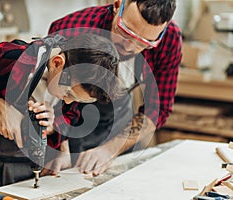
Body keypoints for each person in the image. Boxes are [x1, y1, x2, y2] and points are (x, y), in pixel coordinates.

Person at [0, 33, 120, 198]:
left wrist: (53, 126)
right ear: (57, 63)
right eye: (69, 94)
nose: (67, 101)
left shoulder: (72, 80)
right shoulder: (16, 57)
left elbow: (69, 116)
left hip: (28, 167)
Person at [48, 0, 182, 175]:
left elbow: (157, 109)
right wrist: (61, 148)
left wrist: (110, 150)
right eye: (126, 32)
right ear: (118, 5)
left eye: (144, 43)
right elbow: (55, 94)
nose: (129, 47)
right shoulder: (74, 28)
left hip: (120, 121)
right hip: (70, 119)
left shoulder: (169, 39)